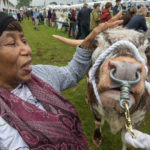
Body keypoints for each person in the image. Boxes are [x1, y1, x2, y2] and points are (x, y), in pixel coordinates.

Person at [0, 11, 122, 149]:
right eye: (12, 43)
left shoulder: (39, 74)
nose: (27, 49)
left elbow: (71, 73)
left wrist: (89, 40)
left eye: (24, 41)